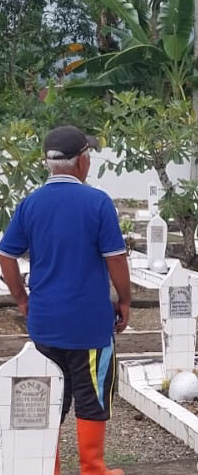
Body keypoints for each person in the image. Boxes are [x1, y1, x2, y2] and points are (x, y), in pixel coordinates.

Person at [0, 126, 130, 475]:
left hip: (45, 323)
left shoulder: (31, 203)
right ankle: (92, 468)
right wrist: (126, 301)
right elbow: (116, 259)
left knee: (48, 398)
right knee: (92, 398)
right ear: (83, 162)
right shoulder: (97, 202)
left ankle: (49, 468)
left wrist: (22, 299)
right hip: (89, 324)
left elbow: (6, 255)